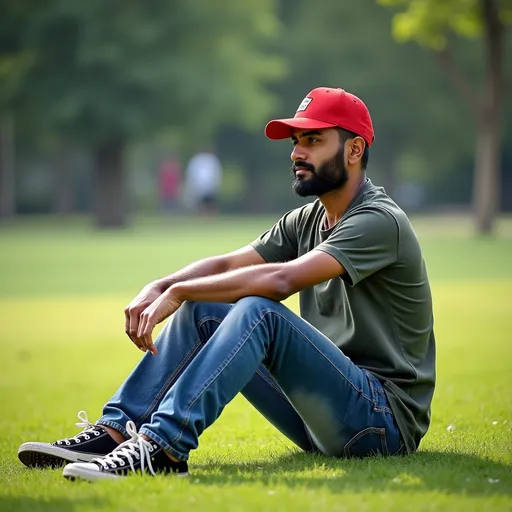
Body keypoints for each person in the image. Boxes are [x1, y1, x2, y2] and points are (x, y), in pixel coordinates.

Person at [18, 87, 436, 482]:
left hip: (381, 422)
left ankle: (163, 448)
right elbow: (226, 263)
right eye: (296, 142)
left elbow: (280, 279)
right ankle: (115, 434)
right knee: (205, 309)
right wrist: (160, 285)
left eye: (312, 140)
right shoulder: (309, 218)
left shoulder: (379, 221)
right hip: (323, 414)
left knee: (258, 311)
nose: (296, 153)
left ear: (354, 149)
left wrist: (180, 292)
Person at [184, 147, 222, 215]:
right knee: (201, 204)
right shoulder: (196, 160)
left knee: (210, 203)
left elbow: (216, 173)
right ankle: (203, 217)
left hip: (210, 186)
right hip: (200, 186)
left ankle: (211, 217)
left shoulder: (212, 160)